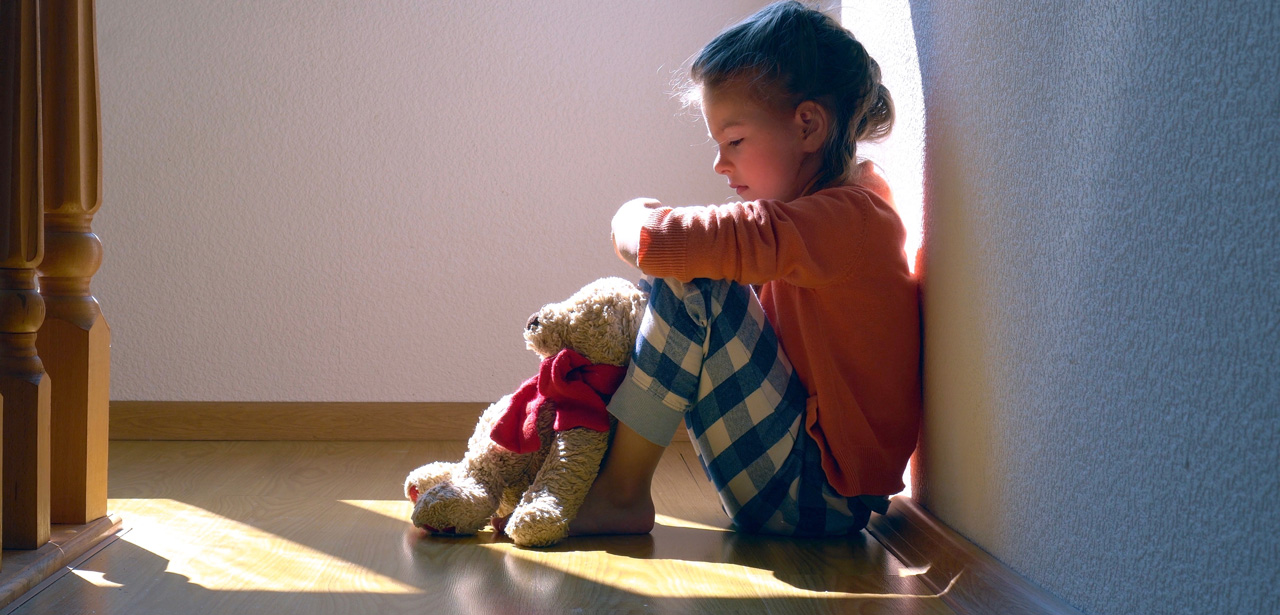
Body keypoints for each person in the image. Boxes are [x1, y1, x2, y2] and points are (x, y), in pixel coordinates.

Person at [571, 0, 920, 538]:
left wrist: (631, 217)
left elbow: (664, 242)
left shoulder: (848, 219)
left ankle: (620, 495)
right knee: (686, 284)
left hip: (818, 493)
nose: (720, 162)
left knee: (697, 283)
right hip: (802, 477)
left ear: (807, 126)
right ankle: (583, 467)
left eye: (734, 141)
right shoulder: (824, 215)